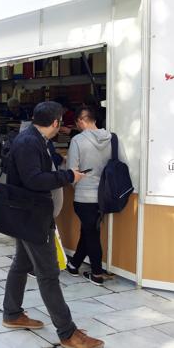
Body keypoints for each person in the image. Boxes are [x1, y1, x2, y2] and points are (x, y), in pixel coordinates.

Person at [1, 101, 103, 348]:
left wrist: (63, 164)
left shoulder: (38, 140)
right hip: (32, 216)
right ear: (56, 123)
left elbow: (44, 164)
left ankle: (12, 313)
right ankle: (67, 333)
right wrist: (69, 176)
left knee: (21, 263)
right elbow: (34, 179)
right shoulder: (28, 142)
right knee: (48, 274)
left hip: (30, 214)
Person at [66, 106, 126, 286]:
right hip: (106, 196)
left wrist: (74, 183)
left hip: (84, 196)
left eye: (77, 123)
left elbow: (72, 171)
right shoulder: (113, 138)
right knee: (89, 230)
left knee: (91, 233)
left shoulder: (77, 140)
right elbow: (121, 163)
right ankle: (74, 264)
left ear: (81, 121)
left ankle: (97, 274)